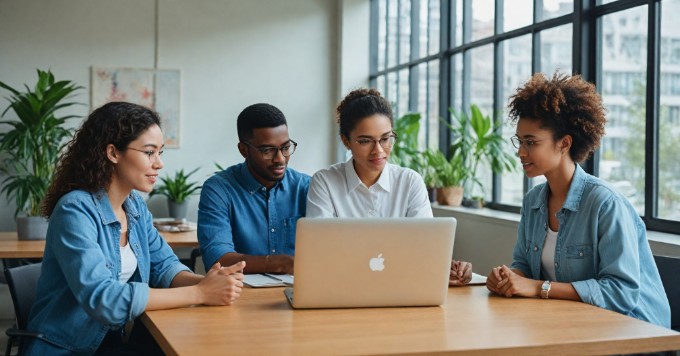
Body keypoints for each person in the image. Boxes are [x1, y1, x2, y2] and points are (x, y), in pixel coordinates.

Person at [25, 102, 245, 355]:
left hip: (110, 340)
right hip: (67, 348)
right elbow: (104, 299)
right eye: (149, 153)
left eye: (161, 152)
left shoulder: (134, 207)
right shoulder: (75, 210)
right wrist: (199, 293)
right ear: (113, 153)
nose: (159, 163)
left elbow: (164, 267)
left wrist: (212, 282)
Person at [486, 72, 670, 327]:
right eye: (519, 141)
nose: (520, 151)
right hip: (575, 324)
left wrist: (540, 287)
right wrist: (507, 277)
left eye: (531, 142)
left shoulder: (605, 204)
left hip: (634, 331)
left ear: (564, 144)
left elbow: (621, 293)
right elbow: (524, 266)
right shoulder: (533, 201)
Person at [306, 88, 472, 286]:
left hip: (402, 285)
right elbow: (324, 253)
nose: (378, 150)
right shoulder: (325, 182)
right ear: (346, 141)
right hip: (343, 285)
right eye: (365, 141)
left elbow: (424, 248)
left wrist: (445, 269)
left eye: (385, 139)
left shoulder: (410, 182)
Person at [198, 103, 310, 275]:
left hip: (301, 292)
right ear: (243, 150)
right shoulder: (219, 189)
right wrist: (280, 264)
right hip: (238, 295)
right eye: (267, 150)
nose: (280, 159)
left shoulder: (307, 187)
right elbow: (218, 259)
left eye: (286, 148)